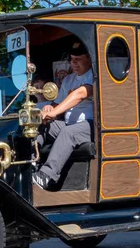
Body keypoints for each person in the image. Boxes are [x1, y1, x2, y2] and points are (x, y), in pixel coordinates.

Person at [32, 41, 94, 191]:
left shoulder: (95, 75)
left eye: (77, 59)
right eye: (72, 59)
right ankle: (31, 162)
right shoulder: (68, 79)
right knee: (41, 124)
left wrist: (54, 111)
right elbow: (57, 104)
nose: (73, 63)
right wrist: (49, 109)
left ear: (89, 58)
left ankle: (47, 175)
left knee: (68, 132)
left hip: (91, 125)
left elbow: (80, 94)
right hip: (68, 124)